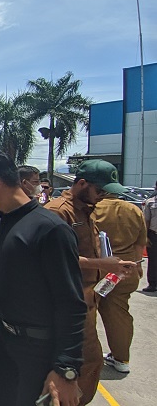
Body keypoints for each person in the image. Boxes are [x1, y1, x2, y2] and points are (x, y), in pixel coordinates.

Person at [0, 149, 86, 406]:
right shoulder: (1, 222)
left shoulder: (50, 230)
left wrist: (66, 368)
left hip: (38, 351)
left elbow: (72, 304)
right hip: (4, 342)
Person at [44, 159, 137, 405]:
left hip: (87, 299)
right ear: (82, 183)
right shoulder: (58, 211)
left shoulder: (85, 209)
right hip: (68, 303)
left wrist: (110, 270)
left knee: (87, 363)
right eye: (100, 190)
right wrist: (102, 265)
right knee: (82, 363)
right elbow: (53, 260)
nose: (103, 196)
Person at [92, 193, 148, 373]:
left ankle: (86, 356)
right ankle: (121, 358)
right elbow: (140, 244)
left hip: (95, 268)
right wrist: (138, 266)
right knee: (119, 315)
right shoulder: (133, 209)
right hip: (126, 270)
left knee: (86, 314)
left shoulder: (93, 208)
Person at [143, 180, 157, 292]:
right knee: (153, 260)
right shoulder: (150, 202)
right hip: (153, 235)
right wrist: (146, 237)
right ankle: (152, 284)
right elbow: (146, 221)